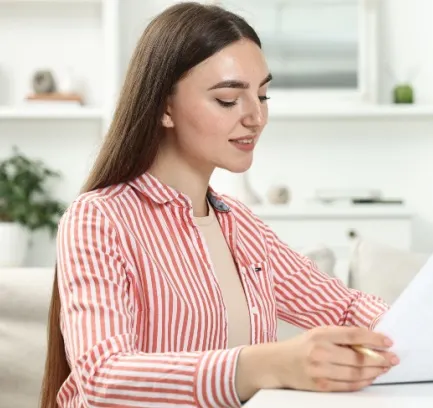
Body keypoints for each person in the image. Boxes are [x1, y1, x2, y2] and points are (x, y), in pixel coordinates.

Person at [39, 3, 399, 407]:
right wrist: (268, 365)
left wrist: (416, 327)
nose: (256, 116)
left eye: (262, 95)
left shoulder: (238, 224)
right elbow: (104, 376)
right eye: (229, 99)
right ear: (164, 107)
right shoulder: (99, 219)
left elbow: (343, 306)